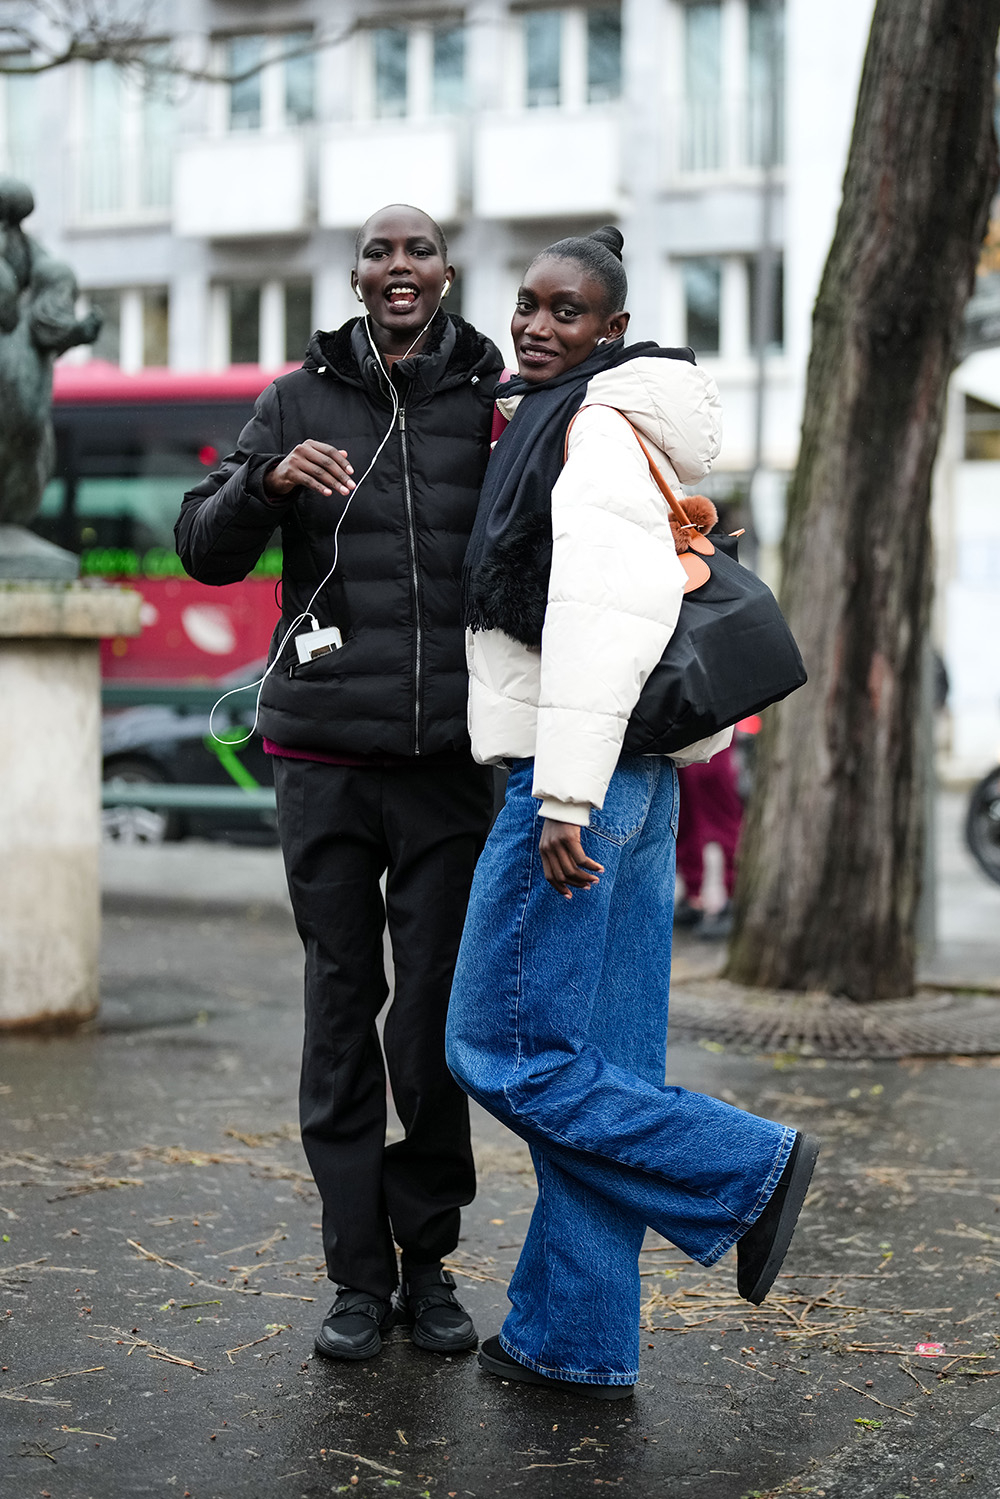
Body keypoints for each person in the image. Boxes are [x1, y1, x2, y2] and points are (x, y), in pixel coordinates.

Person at [446, 226, 818, 1398]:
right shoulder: (591, 419)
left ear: (614, 329)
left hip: (585, 783)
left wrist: (562, 793)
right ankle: (574, 1333)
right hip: (640, 779)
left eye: (567, 312)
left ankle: (743, 1167)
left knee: (503, 1047)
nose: (537, 326)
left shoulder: (594, 427)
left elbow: (601, 616)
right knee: (600, 1064)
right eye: (528, 305)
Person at [175, 204, 503, 1363]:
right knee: (338, 1017)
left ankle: (431, 1264)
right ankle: (357, 1277)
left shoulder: (490, 399)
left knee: (432, 1032)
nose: (398, 267)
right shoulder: (297, 397)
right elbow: (203, 548)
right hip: (321, 762)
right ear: (357, 276)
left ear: (445, 272)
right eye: (379, 252)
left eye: (418, 250)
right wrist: (264, 482)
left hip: (450, 773)